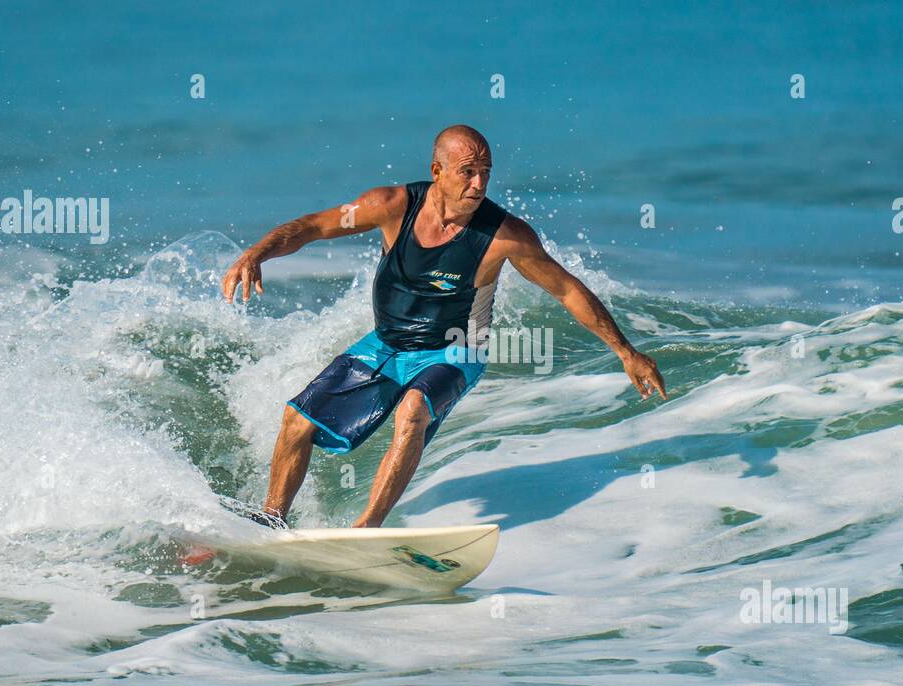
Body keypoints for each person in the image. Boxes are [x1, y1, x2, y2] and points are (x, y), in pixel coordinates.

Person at [220, 125, 666, 528]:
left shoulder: (505, 236)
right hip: (387, 343)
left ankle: (365, 531)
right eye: (467, 171)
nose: (479, 184)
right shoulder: (391, 206)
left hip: (457, 349)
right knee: (296, 420)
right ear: (437, 170)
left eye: (486, 172)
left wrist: (626, 351)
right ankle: (272, 519)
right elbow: (315, 227)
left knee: (413, 410)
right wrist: (257, 254)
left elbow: (567, 290)